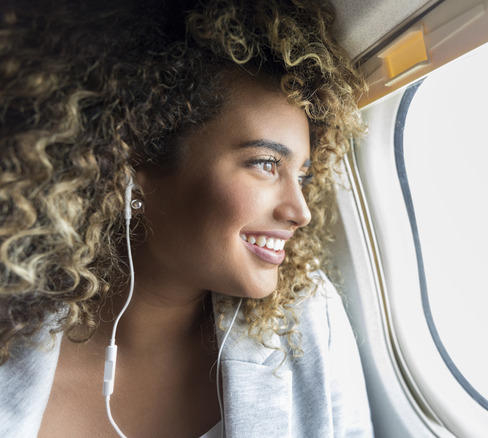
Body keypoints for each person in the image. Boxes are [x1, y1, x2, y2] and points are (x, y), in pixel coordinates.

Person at [0, 0, 372, 436]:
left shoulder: (308, 318)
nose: (300, 212)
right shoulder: (13, 329)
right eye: (266, 164)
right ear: (139, 158)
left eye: (302, 176)